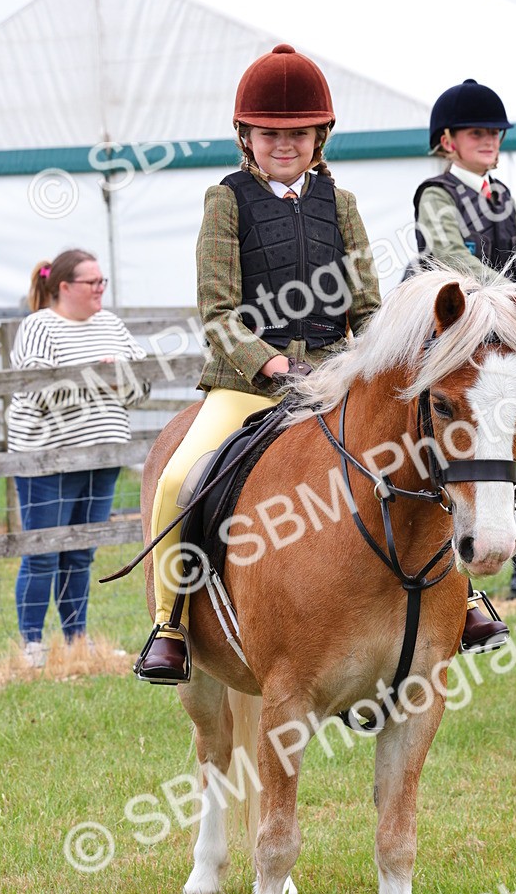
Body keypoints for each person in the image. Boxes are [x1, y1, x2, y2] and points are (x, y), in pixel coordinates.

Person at [135, 44, 381, 682]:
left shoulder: (342, 204)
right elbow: (218, 313)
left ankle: (459, 601)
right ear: (245, 135)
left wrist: (374, 361)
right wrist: (271, 365)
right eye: (270, 133)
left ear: (319, 136)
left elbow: (369, 304)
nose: (284, 145)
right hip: (248, 384)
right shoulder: (226, 201)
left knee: (418, 453)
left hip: (333, 376)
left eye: (298, 134)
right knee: (178, 481)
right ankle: (171, 623)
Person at [413, 78, 516, 647]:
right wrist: (510, 305)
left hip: (500, 339)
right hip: (448, 336)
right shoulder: (435, 193)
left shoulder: (501, 194)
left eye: (495, 133)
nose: (489, 140)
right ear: (448, 141)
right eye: (477, 132)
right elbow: (453, 258)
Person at [8, 249, 151, 667]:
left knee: (81, 551)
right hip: (48, 459)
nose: (100, 289)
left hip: (103, 455)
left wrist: (113, 381)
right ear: (64, 287)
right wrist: (99, 377)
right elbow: (37, 391)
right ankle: (32, 645)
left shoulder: (111, 324)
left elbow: (141, 386)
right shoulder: (38, 327)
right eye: (92, 283)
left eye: (103, 281)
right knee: (43, 550)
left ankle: (76, 640)